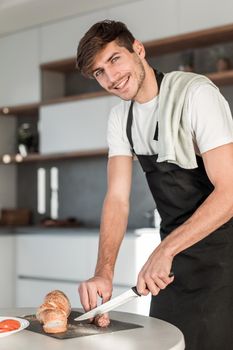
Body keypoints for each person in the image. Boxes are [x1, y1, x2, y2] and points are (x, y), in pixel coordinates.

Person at [76, 20, 233, 349]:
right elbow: (117, 200)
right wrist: (103, 272)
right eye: (99, 72)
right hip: (175, 264)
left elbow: (230, 193)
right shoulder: (122, 119)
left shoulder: (196, 95)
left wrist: (164, 250)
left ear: (138, 49)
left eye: (115, 59)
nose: (111, 77)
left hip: (224, 260)